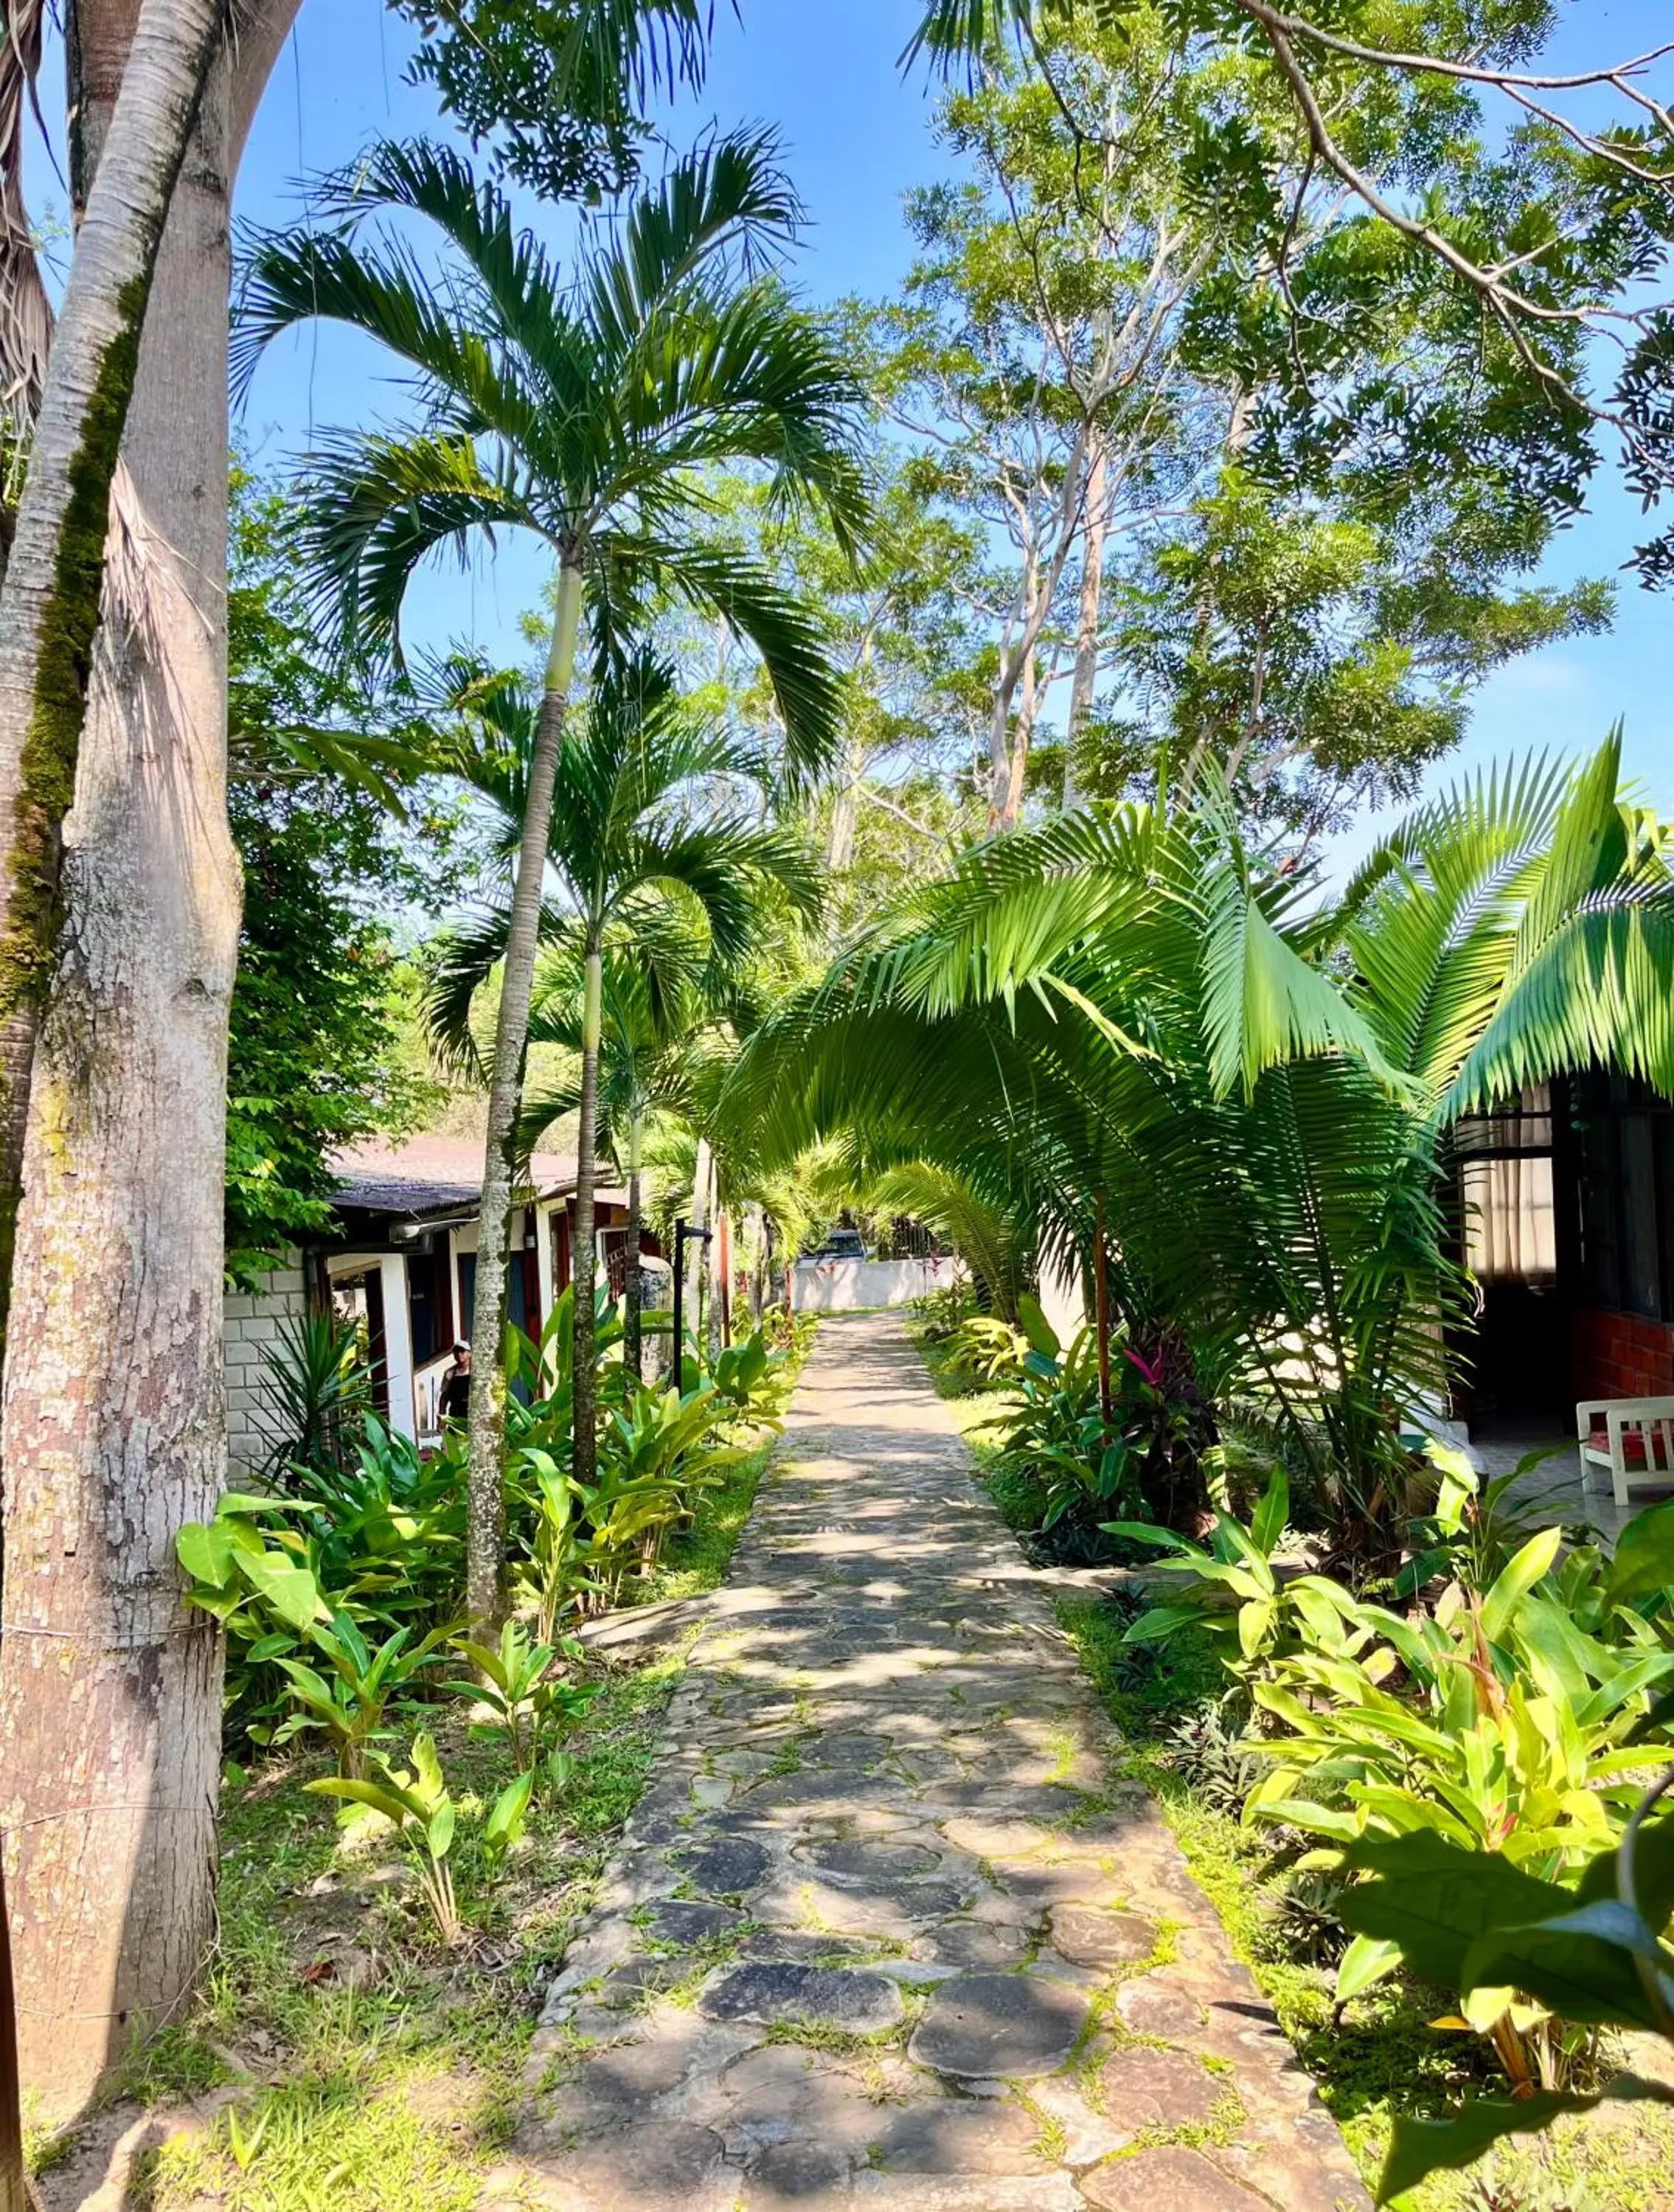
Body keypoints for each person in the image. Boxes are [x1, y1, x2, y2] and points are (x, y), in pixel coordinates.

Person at [439, 1339, 471, 1424]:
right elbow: (444, 1397)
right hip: (456, 1416)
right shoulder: (449, 1373)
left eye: (462, 1351)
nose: (459, 1354)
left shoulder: (478, 1372)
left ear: (469, 1353)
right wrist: (442, 1419)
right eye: (456, 1352)